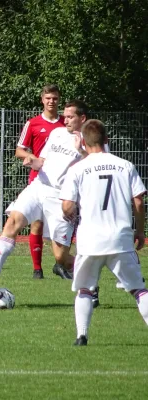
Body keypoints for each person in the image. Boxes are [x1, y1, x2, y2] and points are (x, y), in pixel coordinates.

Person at [0, 100, 89, 290]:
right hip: (39, 186)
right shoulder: (57, 133)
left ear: (82, 118)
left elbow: (95, 164)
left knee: (61, 257)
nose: (66, 120)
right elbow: (43, 160)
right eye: (66, 116)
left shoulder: (90, 139)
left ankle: (90, 276)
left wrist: (80, 149)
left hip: (61, 198)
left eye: (71, 117)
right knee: (13, 221)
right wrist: (32, 160)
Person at [60, 119, 148, 346]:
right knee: (138, 290)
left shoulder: (77, 168)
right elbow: (138, 201)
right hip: (120, 238)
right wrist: (139, 230)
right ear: (106, 140)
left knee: (85, 289)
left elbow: (67, 206)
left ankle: (82, 336)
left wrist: (71, 213)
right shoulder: (125, 165)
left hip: (90, 240)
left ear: (83, 142)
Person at [15, 84, 65, 279]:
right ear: (42, 100)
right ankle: (37, 268)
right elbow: (19, 150)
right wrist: (32, 158)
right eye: (48, 98)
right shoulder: (33, 123)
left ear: (59, 100)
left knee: (62, 223)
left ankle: (61, 263)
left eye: (54, 98)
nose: (51, 101)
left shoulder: (66, 124)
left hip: (62, 182)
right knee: (36, 223)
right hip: (39, 180)